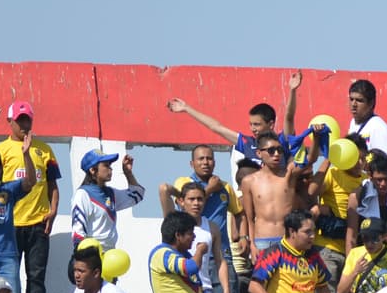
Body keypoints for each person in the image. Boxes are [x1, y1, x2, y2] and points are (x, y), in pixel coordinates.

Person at [0, 102, 61, 293]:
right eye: (20, 120)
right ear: (10, 122)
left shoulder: (44, 149)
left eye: (28, 120)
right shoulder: (1, 151)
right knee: (10, 276)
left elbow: (53, 185)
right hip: (11, 225)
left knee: (36, 276)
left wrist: (53, 210)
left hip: (38, 223)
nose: (25, 124)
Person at [166, 73, 304, 159]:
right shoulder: (247, 143)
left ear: (271, 124)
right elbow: (216, 127)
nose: (253, 129)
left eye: (257, 124)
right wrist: (187, 108)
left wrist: (292, 91)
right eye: (251, 124)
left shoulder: (283, 139)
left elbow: (289, 117)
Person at [241, 133, 314, 256]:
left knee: (289, 275)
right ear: (259, 153)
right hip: (262, 241)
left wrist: (316, 136)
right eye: (271, 150)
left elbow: (310, 159)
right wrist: (252, 244)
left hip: (287, 240)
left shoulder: (289, 175)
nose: (276, 154)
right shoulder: (249, 181)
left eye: (279, 150)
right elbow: (249, 218)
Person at [0, 134, 36, 293]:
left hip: (8, 256)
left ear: (0, 168)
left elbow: (30, 181)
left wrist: (26, 154)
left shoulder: (9, 189)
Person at [70, 149, 144, 249]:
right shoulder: (83, 194)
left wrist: (128, 173)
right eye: (106, 165)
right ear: (92, 170)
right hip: (90, 255)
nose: (110, 169)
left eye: (110, 165)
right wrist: (86, 259)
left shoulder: (111, 193)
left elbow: (137, 194)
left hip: (109, 256)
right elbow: (78, 233)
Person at [346, 78, 387, 159]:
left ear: (371, 103)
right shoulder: (353, 122)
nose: (353, 104)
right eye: (351, 99)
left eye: (359, 100)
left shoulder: (380, 129)